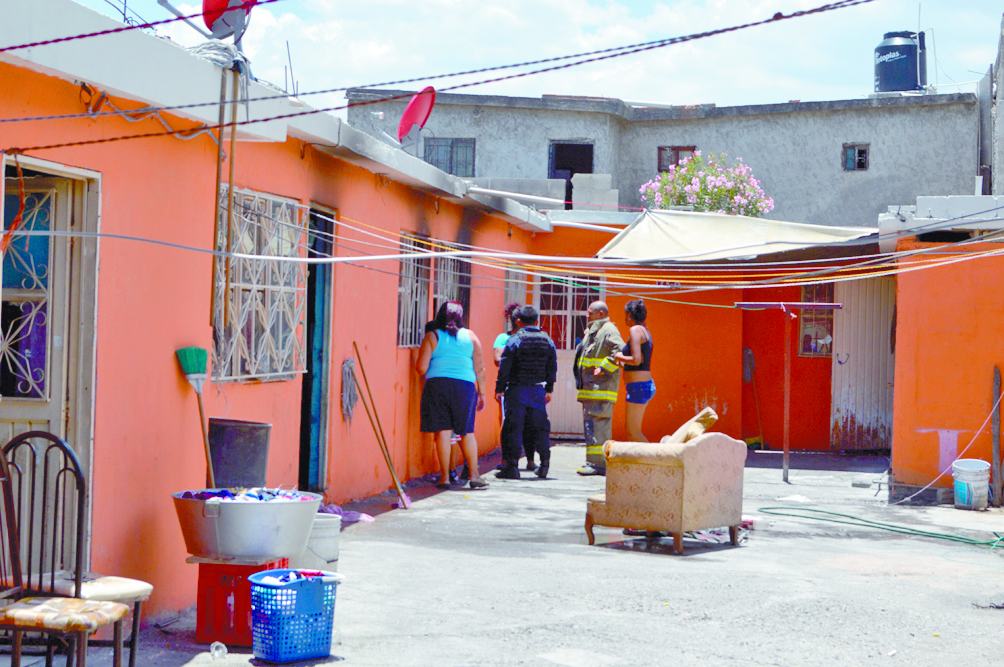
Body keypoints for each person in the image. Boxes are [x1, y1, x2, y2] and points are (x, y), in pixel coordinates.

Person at [416, 301, 489, 490]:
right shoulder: (471, 336)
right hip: (465, 387)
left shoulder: (432, 336)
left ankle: (445, 477)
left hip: (437, 386)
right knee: (467, 431)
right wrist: (482, 393)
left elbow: (421, 368)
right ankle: (474, 476)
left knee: (443, 431)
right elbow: (480, 368)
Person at [495, 305, 557, 480]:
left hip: (516, 389)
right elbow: (552, 367)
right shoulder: (548, 341)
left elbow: (504, 367)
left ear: (519, 321)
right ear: (537, 322)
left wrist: (499, 389)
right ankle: (544, 464)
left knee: (513, 428)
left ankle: (512, 467)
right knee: (540, 428)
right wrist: (549, 389)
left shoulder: (514, 340)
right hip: (538, 390)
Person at [573, 301, 625, 476]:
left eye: (590, 312)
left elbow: (620, 352)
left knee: (599, 427)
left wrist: (604, 367)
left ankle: (599, 464)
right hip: (592, 390)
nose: (587, 315)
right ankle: (594, 463)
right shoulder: (595, 331)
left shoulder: (609, 330)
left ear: (600, 313)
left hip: (601, 390)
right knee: (592, 427)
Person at [493, 302, 539, 472]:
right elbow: (498, 359)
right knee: (509, 424)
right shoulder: (504, 339)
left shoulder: (534, 338)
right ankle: (507, 460)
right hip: (511, 386)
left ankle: (530, 460)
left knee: (530, 424)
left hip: (530, 385)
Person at [614, 299, 655, 442]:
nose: (624, 318)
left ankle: (654, 461)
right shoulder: (644, 330)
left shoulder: (635, 330)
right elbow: (640, 360)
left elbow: (636, 359)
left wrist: (619, 356)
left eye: (625, 314)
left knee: (633, 432)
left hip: (638, 387)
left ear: (630, 314)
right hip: (639, 385)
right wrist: (624, 363)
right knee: (632, 431)